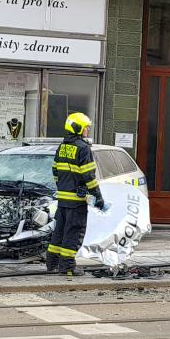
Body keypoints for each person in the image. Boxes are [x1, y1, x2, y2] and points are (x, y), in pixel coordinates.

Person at [46, 112, 105, 276]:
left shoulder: (62, 146)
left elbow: (55, 171)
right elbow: (89, 176)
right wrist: (98, 196)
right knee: (73, 233)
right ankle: (68, 267)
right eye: (86, 127)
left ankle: (52, 263)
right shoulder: (83, 148)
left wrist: (64, 187)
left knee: (59, 232)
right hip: (76, 201)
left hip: (63, 200)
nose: (87, 130)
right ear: (78, 128)